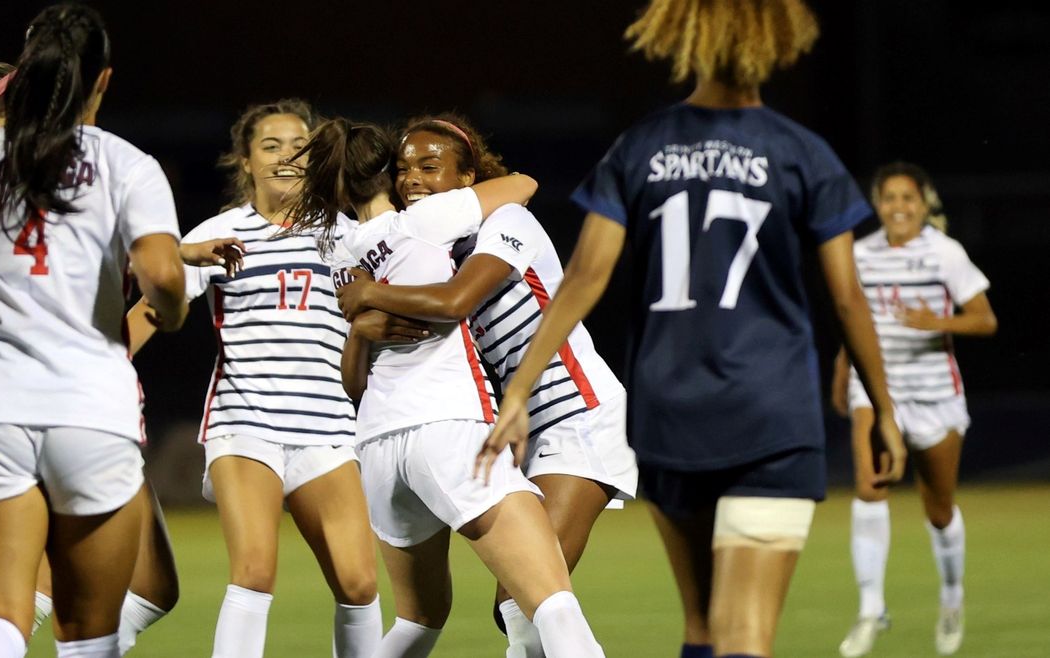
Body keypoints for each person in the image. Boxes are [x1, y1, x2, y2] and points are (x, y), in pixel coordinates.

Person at [479, 2, 908, 657]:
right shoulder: (801, 153)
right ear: (776, 41)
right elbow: (848, 299)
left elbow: (585, 279)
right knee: (747, 636)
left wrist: (518, 393)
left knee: (703, 628)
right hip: (771, 411)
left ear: (686, 37)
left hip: (671, 412)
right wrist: (883, 407)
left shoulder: (644, 148)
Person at [0, 60, 246, 654]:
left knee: (88, 596)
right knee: (102, 613)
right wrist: (171, 292)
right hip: (86, 406)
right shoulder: (77, 170)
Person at [285, 117, 606, 658]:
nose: (413, 177)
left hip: (378, 449)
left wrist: (365, 311)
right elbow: (522, 186)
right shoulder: (426, 219)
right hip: (448, 428)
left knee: (418, 621)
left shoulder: (341, 257)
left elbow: (353, 382)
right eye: (403, 167)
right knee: (551, 603)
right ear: (385, 173)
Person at [125, 101, 424, 658]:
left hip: (328, 425)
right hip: (246, 421)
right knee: (255, 571)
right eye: (271, 146)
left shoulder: (346, 232)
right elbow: (149, 308)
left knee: (359, 585)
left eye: (299, 147)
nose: (287, 156)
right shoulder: (218, 232)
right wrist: (101, 363)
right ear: (245, 160)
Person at [834, 162, 997, 657]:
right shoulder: (859, 254)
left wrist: (935, 321)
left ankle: (951, 597)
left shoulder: (946, 254)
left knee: (939, 507)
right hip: (878, 387)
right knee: (869, 485)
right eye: (890, 198)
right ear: (877, 204)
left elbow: (985, 320)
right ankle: (870, 608)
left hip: (934, 392)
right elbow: (852, 319)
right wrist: (842, 373)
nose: (899, 207)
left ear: (924, 204)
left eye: (908, 198)